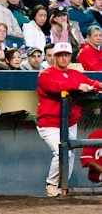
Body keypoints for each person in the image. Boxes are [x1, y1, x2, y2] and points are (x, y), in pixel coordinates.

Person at [36, 42, 102, 197]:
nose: (64, 58)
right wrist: (78, 86)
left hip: (69, 122)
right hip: (49, 123)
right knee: (62, 152)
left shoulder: (74, 74)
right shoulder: (45, 74)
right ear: (54, 57)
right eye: (60, 55)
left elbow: (92, 83)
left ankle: (62, 188)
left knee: (70, 155)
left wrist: (99, 85)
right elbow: (56, 86)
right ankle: (51, 184)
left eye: (66, 55)